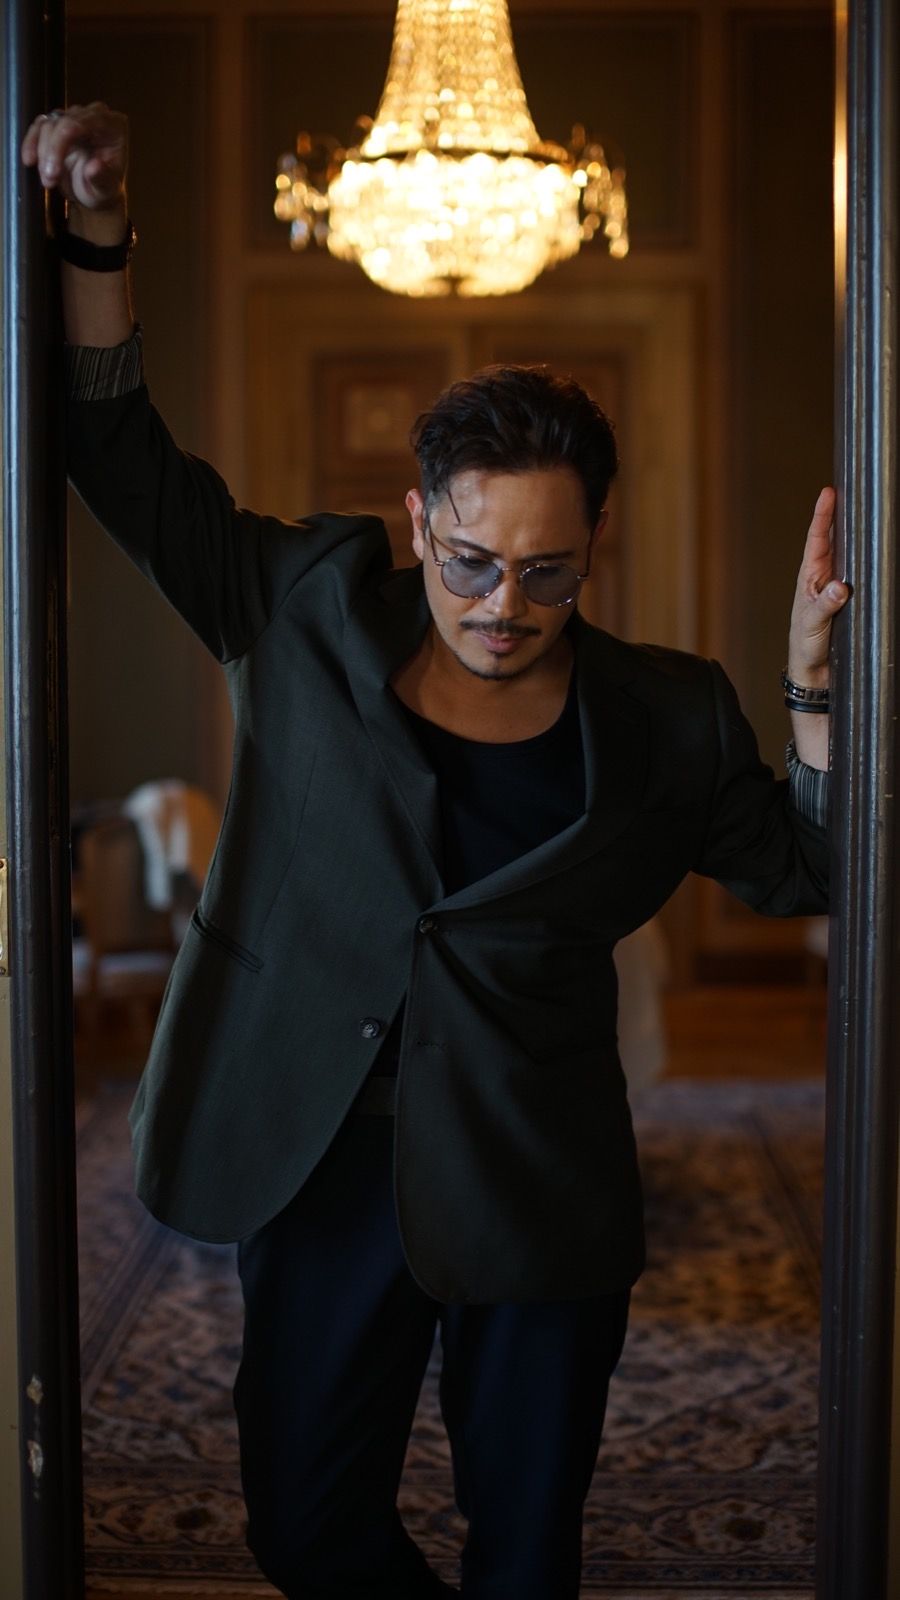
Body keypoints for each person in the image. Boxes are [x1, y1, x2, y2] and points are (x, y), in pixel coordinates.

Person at [22, 103, 849, 1600]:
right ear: (415, 523)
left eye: (546, 571)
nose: (502, 606)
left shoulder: (666, 715)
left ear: (595, 543)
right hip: (315, 1148)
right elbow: (116, 453)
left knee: (525, 1556)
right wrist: (91, 234)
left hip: (535, 1177)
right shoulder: (306, 603)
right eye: (470, 562)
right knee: (302, 1525)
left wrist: (810, 690)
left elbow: (810, 870)